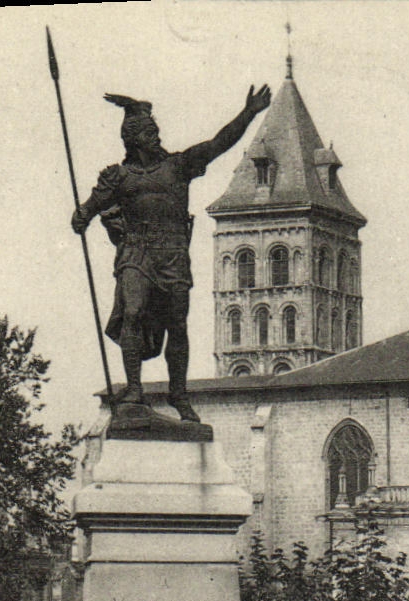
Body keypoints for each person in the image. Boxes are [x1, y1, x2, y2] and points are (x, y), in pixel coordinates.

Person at [70, 86, 272, 423]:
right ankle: (134, 389)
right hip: (136, 253)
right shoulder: (118, 177)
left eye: (156, 131)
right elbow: (87, 210)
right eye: (150, 133)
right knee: (132, 313)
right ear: (133, 139)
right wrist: (80, 217)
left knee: (177, 326)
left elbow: (218, 144)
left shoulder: (178, 166)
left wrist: (249, 112)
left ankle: (179, 395)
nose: (157, 137)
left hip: (173, 255)